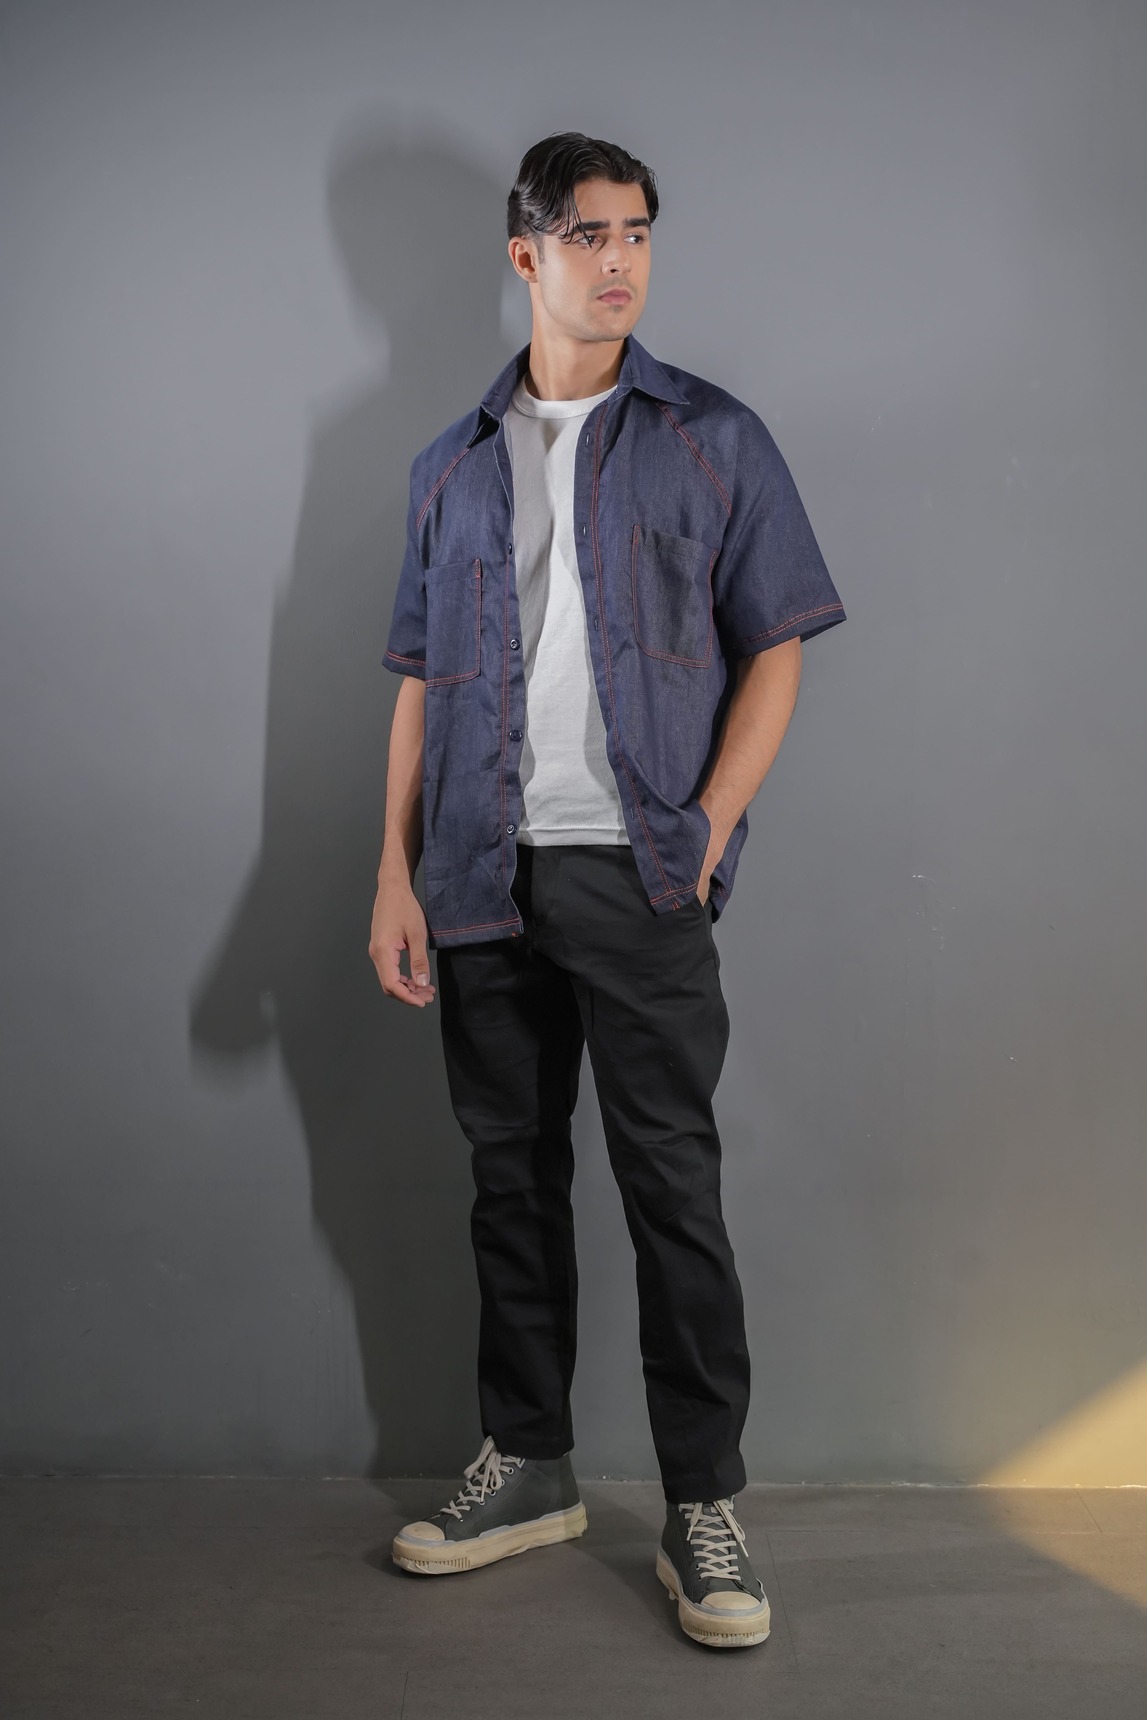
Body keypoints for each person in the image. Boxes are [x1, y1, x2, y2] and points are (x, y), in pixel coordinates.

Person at [369, 131, 846, 1650]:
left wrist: (709, 825)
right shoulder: (449, 464)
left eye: (637, 231)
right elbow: (420, 679)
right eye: (588, 234)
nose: (620, 259)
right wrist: (393, 872)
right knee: (508, 1182)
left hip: (638, 872)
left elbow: (777, 643)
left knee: (670, 1189)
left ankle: (704, 1502)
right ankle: (529, 1468)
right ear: (527, 256)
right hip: (478, 875)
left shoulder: (714, 439)